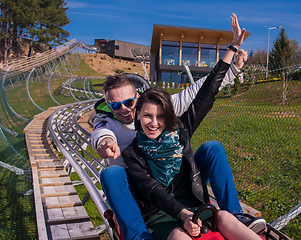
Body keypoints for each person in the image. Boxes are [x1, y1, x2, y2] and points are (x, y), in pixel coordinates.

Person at [90, 14, 265, 240]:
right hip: (148, 199)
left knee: (213, 149)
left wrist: (231, 51)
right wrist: (106, 141)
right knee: (112, 172)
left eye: (128, 102)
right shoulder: (128, 147)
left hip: (184, 193)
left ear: (138, 100)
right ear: (138, 117)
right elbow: (102, 132)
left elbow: (203, 94)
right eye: (115, 104)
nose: (154, 122)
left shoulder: (174, 127)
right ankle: (138, 235)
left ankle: (236, 215)